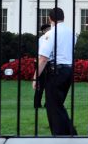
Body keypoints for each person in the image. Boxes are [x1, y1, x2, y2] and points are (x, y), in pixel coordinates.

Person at [32, 8, 77, 136]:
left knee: (53, 106)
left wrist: (36, 77)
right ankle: (68, 133)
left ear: (50, 19)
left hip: (56, 72)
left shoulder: (50, 34)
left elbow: (43, 58)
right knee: (57, 104)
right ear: (63, 18)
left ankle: (61, 134)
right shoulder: (71, 33)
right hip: (68, 70)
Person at [33, 23, 51, 109]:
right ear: (44, 31)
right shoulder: (43, 39)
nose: (49, 30)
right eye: (48, 29)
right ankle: (38, 103)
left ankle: (43, 103)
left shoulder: (46, 38)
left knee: (46, 84)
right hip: (42, 62)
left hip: (43, 62)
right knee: (41, 84)